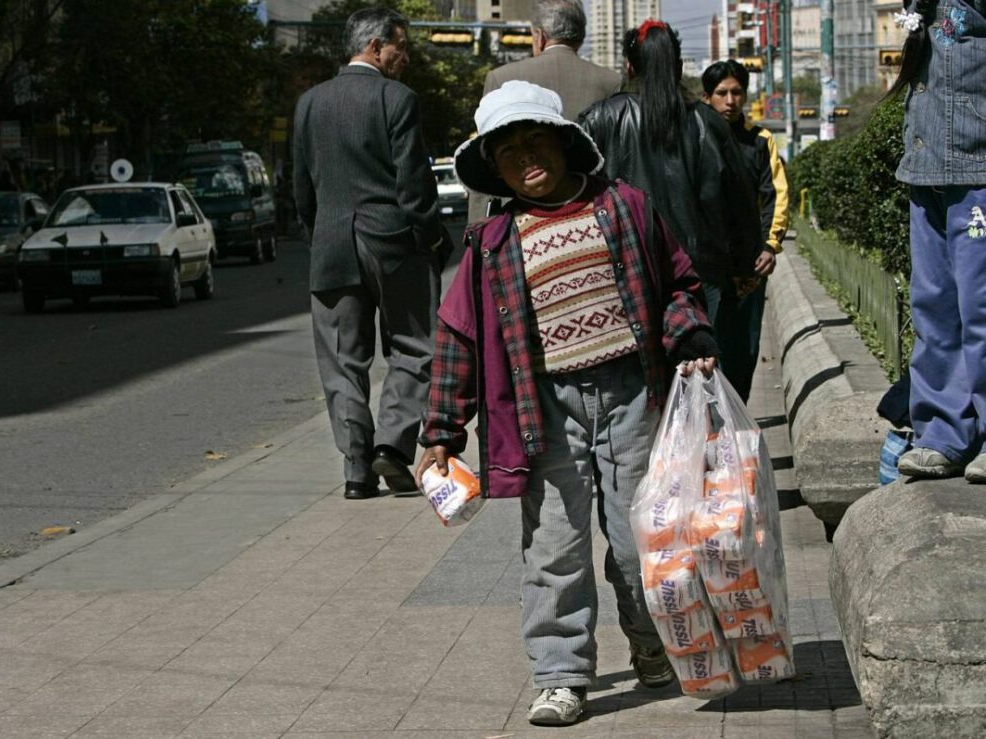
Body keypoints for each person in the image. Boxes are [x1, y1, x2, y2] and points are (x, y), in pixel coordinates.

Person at [414, 80, 718, 726]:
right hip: (542, 409)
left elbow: (679, 283)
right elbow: (458, 338)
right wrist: (440, 430)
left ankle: (650, 640)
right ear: (492, 165)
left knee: (643, 540)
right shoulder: (491, 243)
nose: (525, 157)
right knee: (554, 545)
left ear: (564, 142)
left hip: (631, 396)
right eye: (508, 149)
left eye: (535, 140)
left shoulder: (625, 209)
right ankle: (560, 673)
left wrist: (690, 335)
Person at [293, 7, 445, 499]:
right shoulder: (396, 98)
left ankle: (356, 468)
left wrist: (319, 235)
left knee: (342, 360)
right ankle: (393, 447)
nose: (405, 56)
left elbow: (301, 189)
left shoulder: (310, 104)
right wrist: (431, 237)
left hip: (332, 246)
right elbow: (414, 185)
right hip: (395, 242)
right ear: (377, 46)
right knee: (415, 345)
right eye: (401, 46)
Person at [578, 21, 761, 338]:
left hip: (620, 273)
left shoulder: (599, 119)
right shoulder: (709, 124)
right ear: (677, 65)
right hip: (701, 275)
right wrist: (744, 266)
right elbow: (739, 203)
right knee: (696, 374)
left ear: (630, 66)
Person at [888, 0, 986, 481]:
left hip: (978, 164)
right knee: (934, 303)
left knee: (981, 303)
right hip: (926, 164)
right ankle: (944, 432)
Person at [467, 0, 621, 223]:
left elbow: (486, 155)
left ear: (539, 36)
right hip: (595, 209)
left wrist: (477, 225)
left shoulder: (500, 78)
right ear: (580, 37)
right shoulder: (611, 81)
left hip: (522, 216)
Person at [701, 59, 789, 402]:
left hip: (749, 269)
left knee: (744, 348)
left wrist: (770, 245)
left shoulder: (760, 141)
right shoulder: (694, 140)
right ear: (707, 97)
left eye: (736, 92)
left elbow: (775, 195)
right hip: (705, 267)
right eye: (721, 93)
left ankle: (737, 422)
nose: (730, 100)